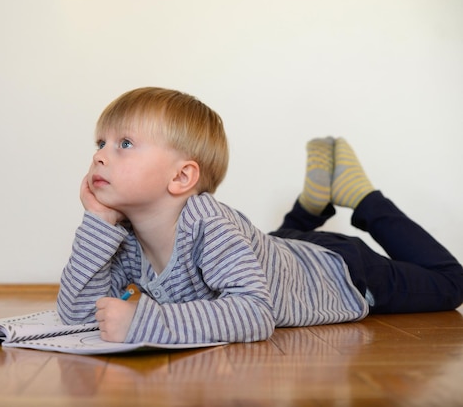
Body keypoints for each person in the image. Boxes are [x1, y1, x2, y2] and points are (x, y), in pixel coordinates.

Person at [56, 87, 463, 344]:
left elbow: (254, 314)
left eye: (124, 143)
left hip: (341, 272)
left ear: (182, 176)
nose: (99, 155)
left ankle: (361, 197)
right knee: (269, 247)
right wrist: (99, 221)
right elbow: (77, 315)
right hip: (283, 254)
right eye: (101, 142)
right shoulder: (124, 237)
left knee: (452, 282)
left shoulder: (209, 225)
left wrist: (146, 321)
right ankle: (310, 207)